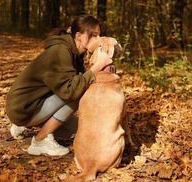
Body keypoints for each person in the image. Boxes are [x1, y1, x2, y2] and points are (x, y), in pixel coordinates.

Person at [6, 15, 112, 156]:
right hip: (23, 108)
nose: (98, 40)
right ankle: (40, 141)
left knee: (79, 129)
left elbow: (81, 80)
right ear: (79, 36)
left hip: (30, 103)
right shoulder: (60, 51)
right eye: (93, 35)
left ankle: (24, 125)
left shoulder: (75, 52)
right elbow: (71, 91)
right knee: (79, 92)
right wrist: (97, 66)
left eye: (100, 35)